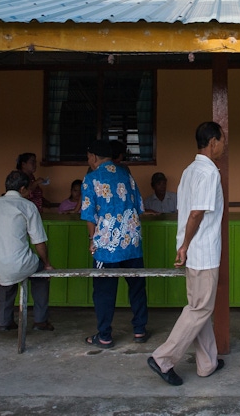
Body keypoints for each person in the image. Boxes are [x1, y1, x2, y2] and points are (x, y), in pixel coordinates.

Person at [148, 121, 227, 386]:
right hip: (201, 250)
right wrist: (185, 246)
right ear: (213, 142)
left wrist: (183, 246)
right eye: (223, 140)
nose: (224, 146)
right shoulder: (208, 173)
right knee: (200, 309)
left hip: (192, 250)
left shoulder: (189, 170)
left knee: (199, 307)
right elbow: (196, 213)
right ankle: (164, 358)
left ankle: (208, 363)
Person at [81, 139, 148, 348]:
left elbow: (89, 215)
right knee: (137, 287)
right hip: (132, 243)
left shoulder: (91, 178)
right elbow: (139, 207)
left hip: (107, 246)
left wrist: (92, 240)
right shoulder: (126, 175)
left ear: (93, 156)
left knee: (104, 291)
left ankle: (104, 336)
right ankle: (139, 330)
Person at [0, 170, 54, 332]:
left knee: (5, 276)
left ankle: (5, 321)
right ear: (22, 189)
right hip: (18, 264)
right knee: (41, 275)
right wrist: (47, 263)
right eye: (28, 189)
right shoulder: (27, 206)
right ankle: (40, 321)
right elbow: (39, 242)